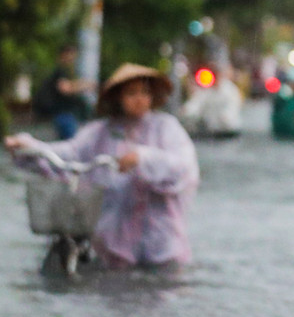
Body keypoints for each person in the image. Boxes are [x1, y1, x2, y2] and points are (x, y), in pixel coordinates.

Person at [4, 63, 200, 267]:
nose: (139, 98)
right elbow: (69, 156)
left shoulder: (166, 128)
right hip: (113, 247)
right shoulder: (99, 132)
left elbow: (184, 168)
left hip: (162, 245)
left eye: (144, 92)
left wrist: (144, 159)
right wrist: (28, 146)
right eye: (132, 93)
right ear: (118, 97)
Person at [33, 44, 93, 140]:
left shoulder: (67, 72)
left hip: (67, 114)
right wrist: (84, 86)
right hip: (63, 114)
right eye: (71, 54)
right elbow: (65, 88)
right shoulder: (60, 71)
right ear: (63, 55)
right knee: (71, 145)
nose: (73, 58)